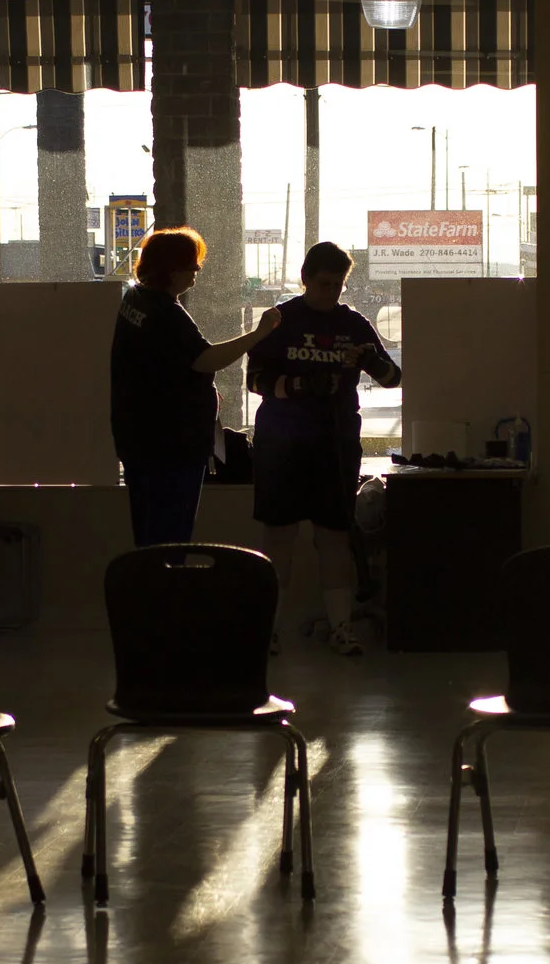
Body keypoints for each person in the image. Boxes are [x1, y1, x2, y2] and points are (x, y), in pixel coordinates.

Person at [245, 242, 401, 656]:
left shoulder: (354, 323)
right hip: (282, 441)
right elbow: (254, 380)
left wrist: (370, 359)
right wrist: (297, 386)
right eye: (324, 283)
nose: (331, 292)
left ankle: (341, 627)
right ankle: (269, 630)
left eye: (338, 285)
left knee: (333, 535)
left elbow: (392, 378)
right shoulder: (282, 319)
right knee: (279, 534)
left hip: (335, 441)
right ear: (306, 279)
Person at [109, 228, 280, 547]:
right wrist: (258, 333)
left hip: (138, 440)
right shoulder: (166, 312)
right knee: (170, 537)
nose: (196, 275)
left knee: (148, 535)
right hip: (171, 447)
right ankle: (168, 589)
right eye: (193, 268)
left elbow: (160, 365)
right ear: (173, 271)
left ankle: (153, 589)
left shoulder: (134, 300)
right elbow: (205, 358)